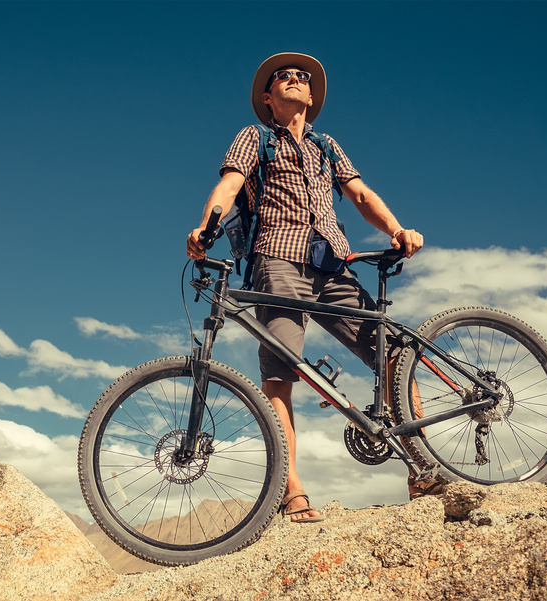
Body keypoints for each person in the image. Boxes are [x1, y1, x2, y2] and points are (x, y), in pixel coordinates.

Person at [186, 53, 424, 523]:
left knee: (395, 353)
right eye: (283, 77)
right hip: (277, 260)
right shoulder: (254, 137)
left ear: (311, 98)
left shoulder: (327, 146)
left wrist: (397, 229)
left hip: (333, 264)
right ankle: (291, 490)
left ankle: (424, 465)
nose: (294, 80)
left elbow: (359, 194)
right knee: (280, 374)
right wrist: (204, 227)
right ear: (267, 96)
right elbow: (231, 184)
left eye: (302, 78)